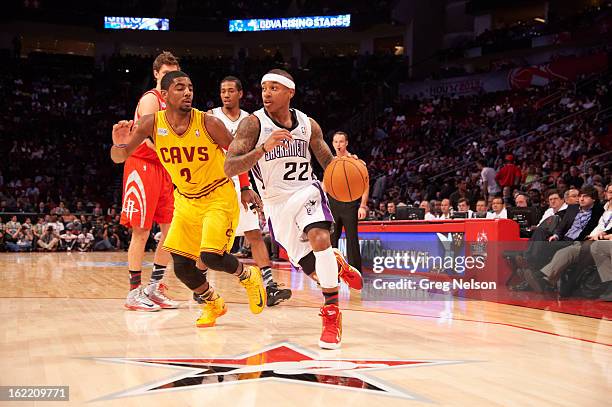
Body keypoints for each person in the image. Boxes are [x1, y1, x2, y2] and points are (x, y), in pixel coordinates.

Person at [111, 70, 267, 327]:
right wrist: (119, 144)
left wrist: (246, 186)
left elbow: (238, 157)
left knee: (211, 256)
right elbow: (120, 157)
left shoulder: (208, 123)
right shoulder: (151, 123)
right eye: (180, 88)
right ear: (164, 94)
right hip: (186, 199)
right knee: (182, 267)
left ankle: (248, 275)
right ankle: (213, 303)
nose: (187, 93)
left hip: (218, 194)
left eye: (190, 88)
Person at [224, 69, 362, 349]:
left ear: (290, 92)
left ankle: (331, 315)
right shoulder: (253, 125)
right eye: (264, 88)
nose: (267, 93)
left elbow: (328, 163)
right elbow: (229, 167)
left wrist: (348, 166)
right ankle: (335, 263)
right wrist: (263, 149)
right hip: (275, 204)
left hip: (305, 191)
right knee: (314, 271)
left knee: (321, 239)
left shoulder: (307, 125)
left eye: (274, 88)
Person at [209, 76, 292, 306]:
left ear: (240, 93)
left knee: (254, 234)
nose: (225, 95)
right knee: (209, 241)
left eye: (230, 91)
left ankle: (269, 286)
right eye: (222, 91)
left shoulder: (251, 120)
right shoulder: (211, 117)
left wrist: (249, 186)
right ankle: (202, 286)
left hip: (242, 184)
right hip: (216, 185)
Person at [119, 51, 180, 311]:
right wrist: (173, 154)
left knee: (171, 231)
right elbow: (146, 138)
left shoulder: (174, 105)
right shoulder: (150, 99)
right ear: (156, 74)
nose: (169, 80)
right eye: (165, 74)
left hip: (165, 169)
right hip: (142, 165)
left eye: (173, 75)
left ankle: (154, 288)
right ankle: (134, 293)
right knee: (141, 232)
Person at [327, 131, 368, 272]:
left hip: (350, 204)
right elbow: (326, 185)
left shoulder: (355, 161)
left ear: (347, 143)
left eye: (341, 141)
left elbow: (365, 184)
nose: (338, 144)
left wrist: (362, 205)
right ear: (332, 144)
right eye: (336, 142)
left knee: (352, 239)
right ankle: (331, 272)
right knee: (331, 241)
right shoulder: (330, 162)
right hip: (332, 204)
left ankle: (355, 272)